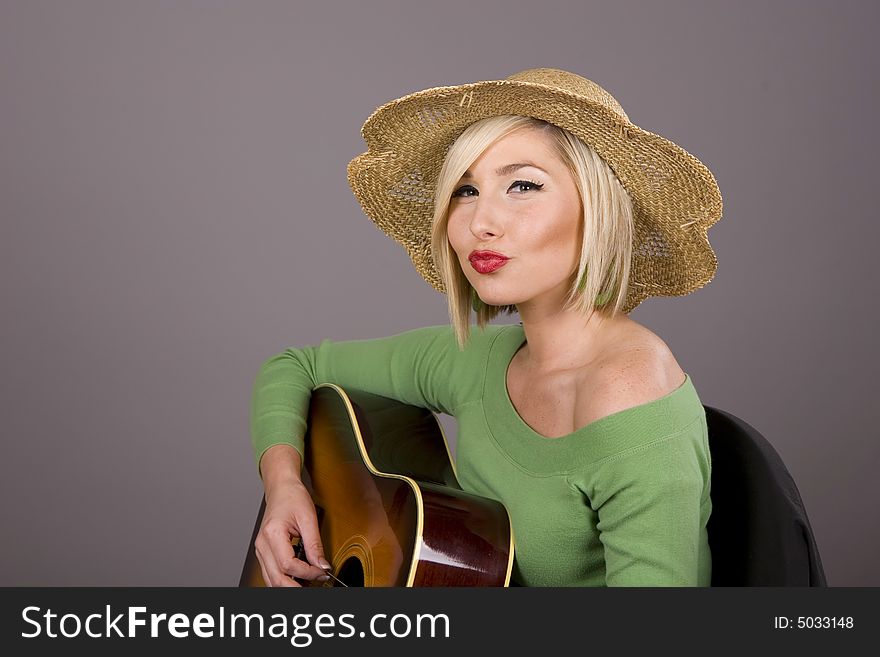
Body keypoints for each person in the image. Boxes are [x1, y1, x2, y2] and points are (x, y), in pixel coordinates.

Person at [249, 67, 723, 587]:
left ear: (599, 211)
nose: (480, 223)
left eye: (523, 185)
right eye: (465, 191)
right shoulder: (479, 361)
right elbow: (297, 366)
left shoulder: (629, 393)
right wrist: (284, 485)